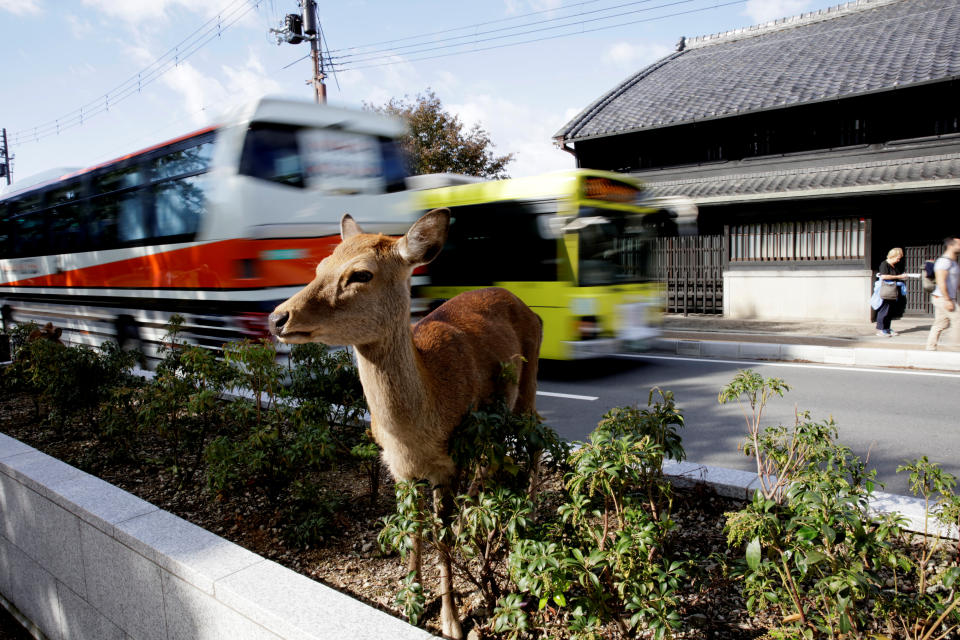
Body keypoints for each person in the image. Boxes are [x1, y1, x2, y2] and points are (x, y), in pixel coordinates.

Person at [925, 236, 960, 351]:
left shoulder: (953, 262)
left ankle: (930, 347)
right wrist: (948, 300)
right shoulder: (944, 261)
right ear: (951, 246)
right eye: (958, 244)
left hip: (945, 298)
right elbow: (941, 281)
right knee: (958, 319)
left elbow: (955, 282)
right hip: (943, 298)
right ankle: (955, 347)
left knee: (940, 324)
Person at [873, 247, 907, 337]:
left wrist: (901, 277)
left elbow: (896, 276)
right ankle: (880, 330)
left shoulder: (894, 266)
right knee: (884, 310)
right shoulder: (884, 264)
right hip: (886, 290)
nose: (898, 260)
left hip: (893, 290)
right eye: (898, 258)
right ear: (893, 256)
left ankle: (887, 329)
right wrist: (899, 276)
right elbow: (884, 276)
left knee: (890, 311)